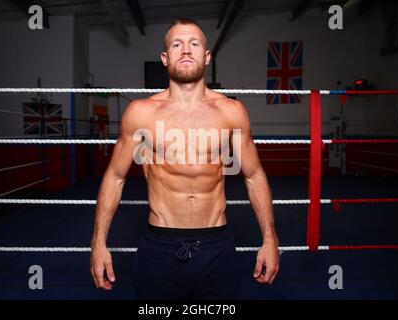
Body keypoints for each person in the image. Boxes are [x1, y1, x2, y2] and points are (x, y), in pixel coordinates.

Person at [90, 18, 279, 299]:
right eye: (177, 45)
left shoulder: (232, 111)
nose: (186, 50)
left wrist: (269, 239)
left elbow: (254, 176)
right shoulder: (141, 113)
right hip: (159, 247)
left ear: (207, 55)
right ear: (165, 58)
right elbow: (115, 177)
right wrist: (98, 242)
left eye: (194, 43)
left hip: (217, 245)